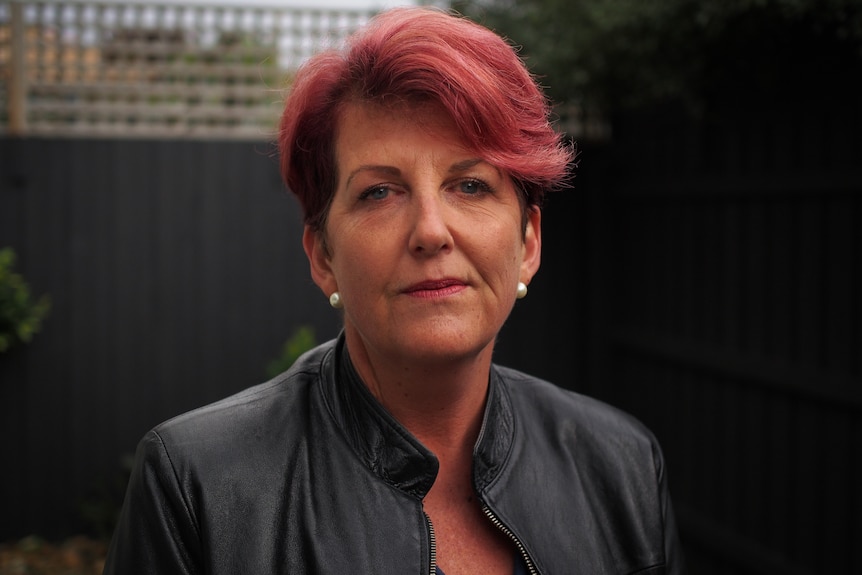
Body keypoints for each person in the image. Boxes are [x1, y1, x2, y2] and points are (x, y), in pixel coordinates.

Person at [103, 6, 685, 575]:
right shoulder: (195, 488)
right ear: (323, 256)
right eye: (380, 193)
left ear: (528, 241)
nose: (431, 231)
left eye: (471, 185)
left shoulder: (624, 467)